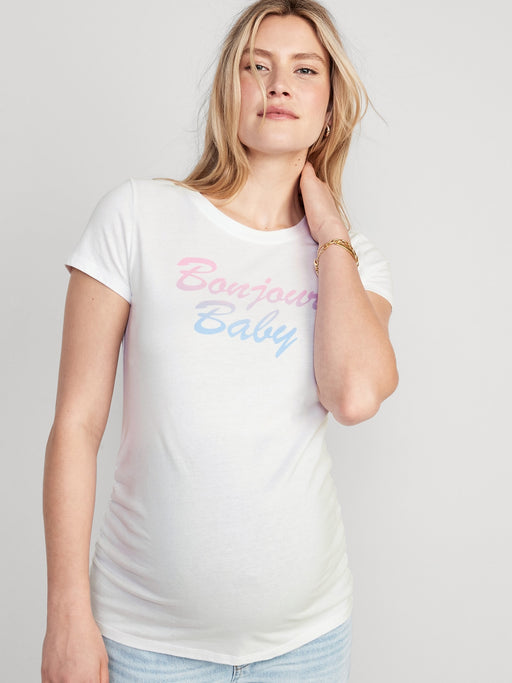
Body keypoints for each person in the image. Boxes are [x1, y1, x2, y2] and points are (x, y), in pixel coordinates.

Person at [41, 0, 398, 680]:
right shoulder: (137, 216)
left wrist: (329, 235)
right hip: (145, 642)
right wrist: (65, 613)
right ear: (228, 89)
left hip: (306, 645)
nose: (279, 84)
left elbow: (353, 396)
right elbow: (76, 425)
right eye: (256, 66)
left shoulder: (353, 262)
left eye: (305, 70)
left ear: (330, 107)